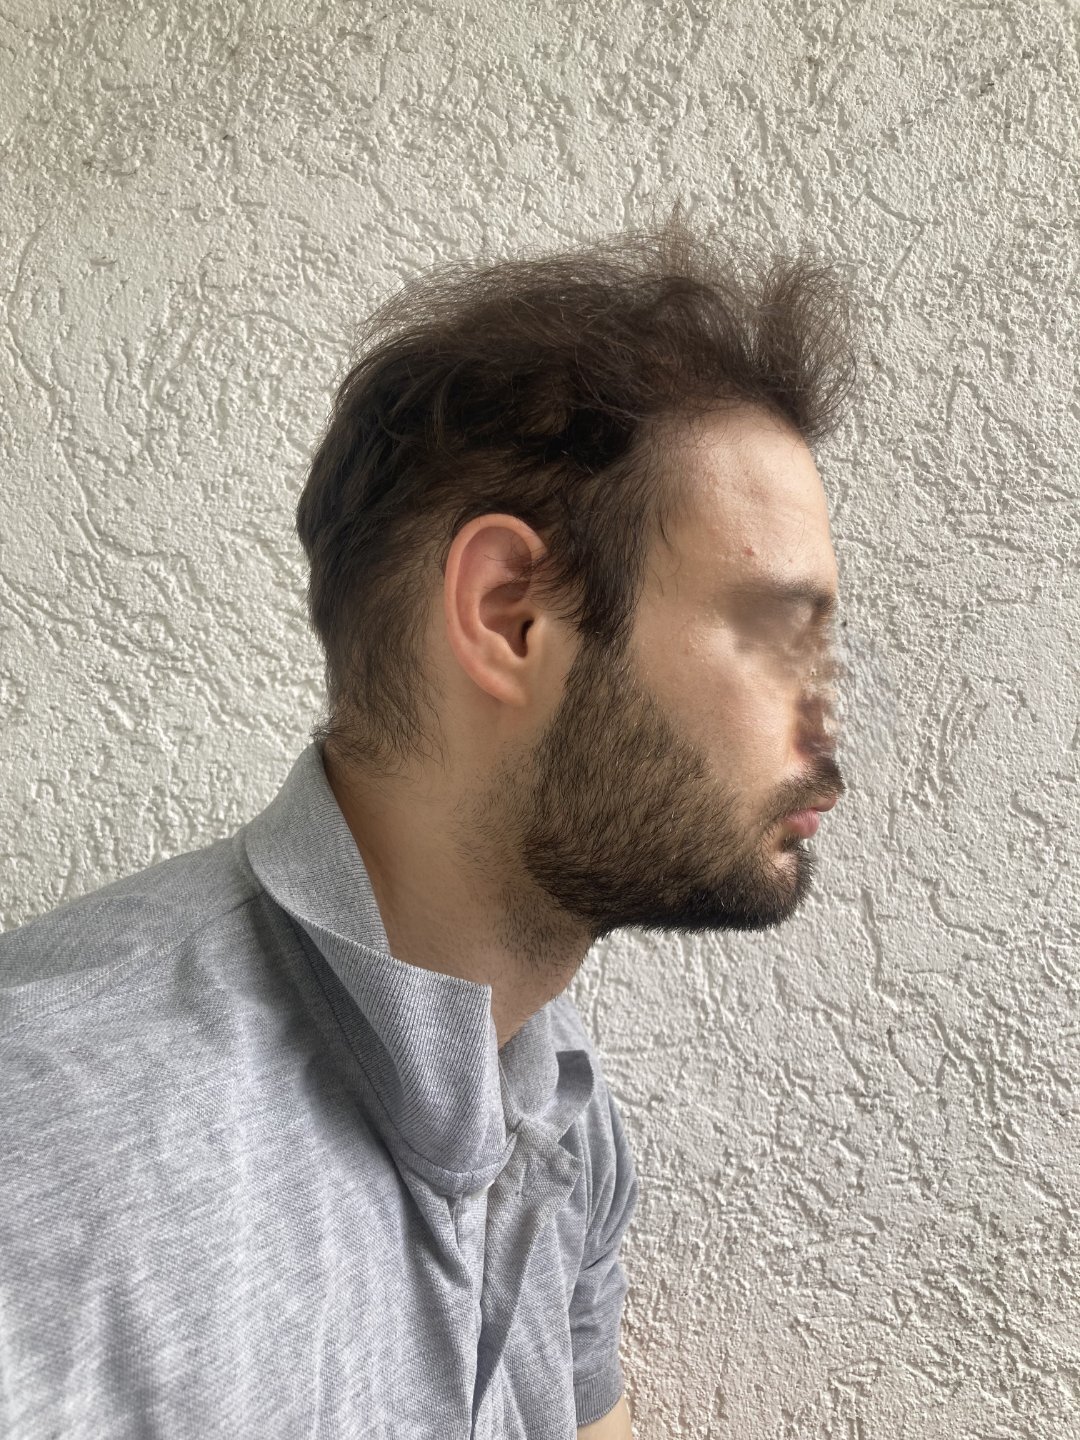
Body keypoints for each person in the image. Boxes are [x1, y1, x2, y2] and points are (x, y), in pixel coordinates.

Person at [0, 211, 856, 1439]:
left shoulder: (556, 1103)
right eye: (776, 634)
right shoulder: (50, 1151)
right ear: (511, 615)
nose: (825, 735)